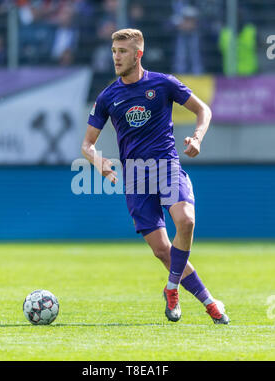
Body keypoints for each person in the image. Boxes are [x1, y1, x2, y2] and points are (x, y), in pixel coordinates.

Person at [81, 28, 229, 324]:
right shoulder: (109, 96)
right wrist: (100, 162)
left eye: (122, 52)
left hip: (166, 167)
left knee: (186, 221)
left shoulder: (163, 84)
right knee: (162, 250)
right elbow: (87, 144)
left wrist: (197, 138)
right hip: (135, 178)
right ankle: (206, 299)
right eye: (113, 52)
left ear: (138, 54)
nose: (116, 57)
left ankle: (176, 289)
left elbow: (204, 110)